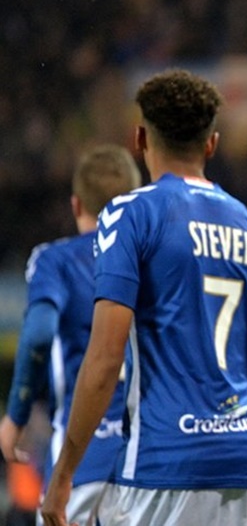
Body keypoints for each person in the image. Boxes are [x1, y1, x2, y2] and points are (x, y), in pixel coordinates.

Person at [40, 69, 247, 526]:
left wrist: (64, 472)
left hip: (163, 462)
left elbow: (104, 359)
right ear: (211, 144)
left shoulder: (130, 214)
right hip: (245, 460)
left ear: (139, 138)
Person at [0, 144, 141, 525]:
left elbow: (39, 334)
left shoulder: (56, 260)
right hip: (145, 461)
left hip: (80, 461)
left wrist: (16, 415)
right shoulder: (150, 261)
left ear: (76, 204)